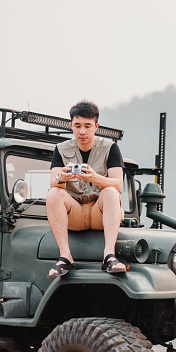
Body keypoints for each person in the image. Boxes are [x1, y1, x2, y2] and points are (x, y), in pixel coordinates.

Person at [46, 100, 126, 279]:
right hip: (75, 212)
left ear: (96, 126)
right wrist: (62, 178)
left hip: (100, 211)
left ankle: (109, 256)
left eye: (87, 126)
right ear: (70, 126)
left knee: (111, 191)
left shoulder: (110, 148)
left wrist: (94, 178)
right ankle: (65, 256)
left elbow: (118, 184)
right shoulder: (60, 149)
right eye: (78, 125)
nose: (82, 131)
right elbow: (54, 182)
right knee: (53, 193)